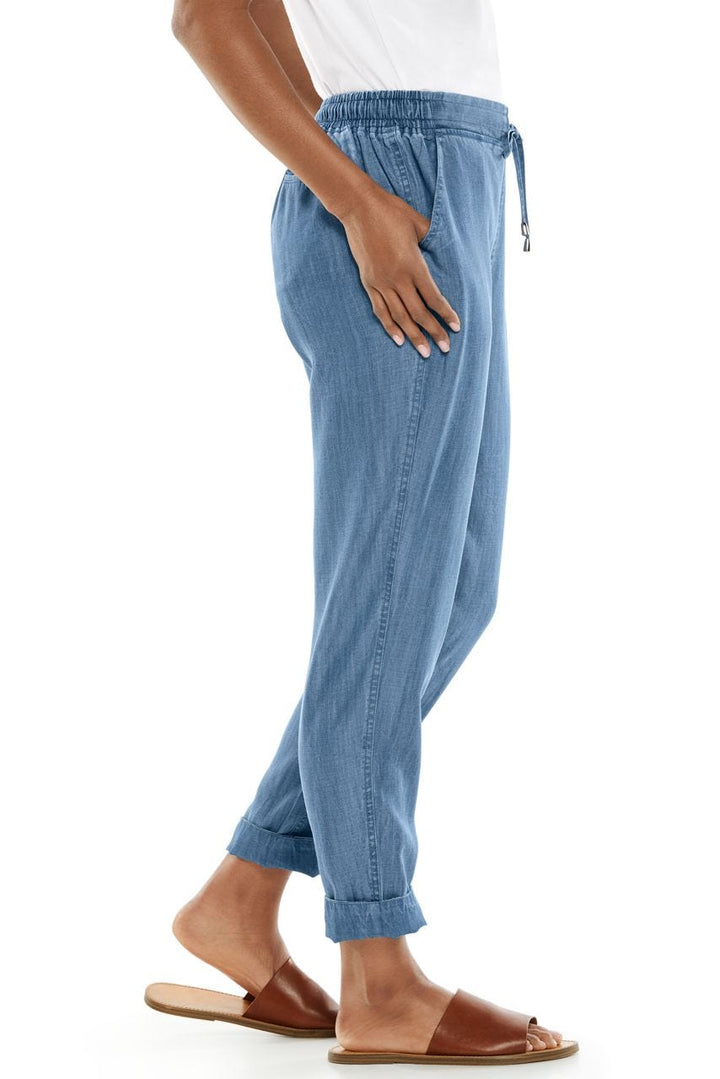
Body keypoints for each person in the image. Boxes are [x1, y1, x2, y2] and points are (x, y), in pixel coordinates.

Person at [145, 0, 577, 1065]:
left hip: (456, 168)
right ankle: (377, 971)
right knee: (388, 601)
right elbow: (207, 14)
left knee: (453, 589)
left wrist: (358, 150)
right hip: (399, 177)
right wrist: (355, 187)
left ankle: (242, 893)